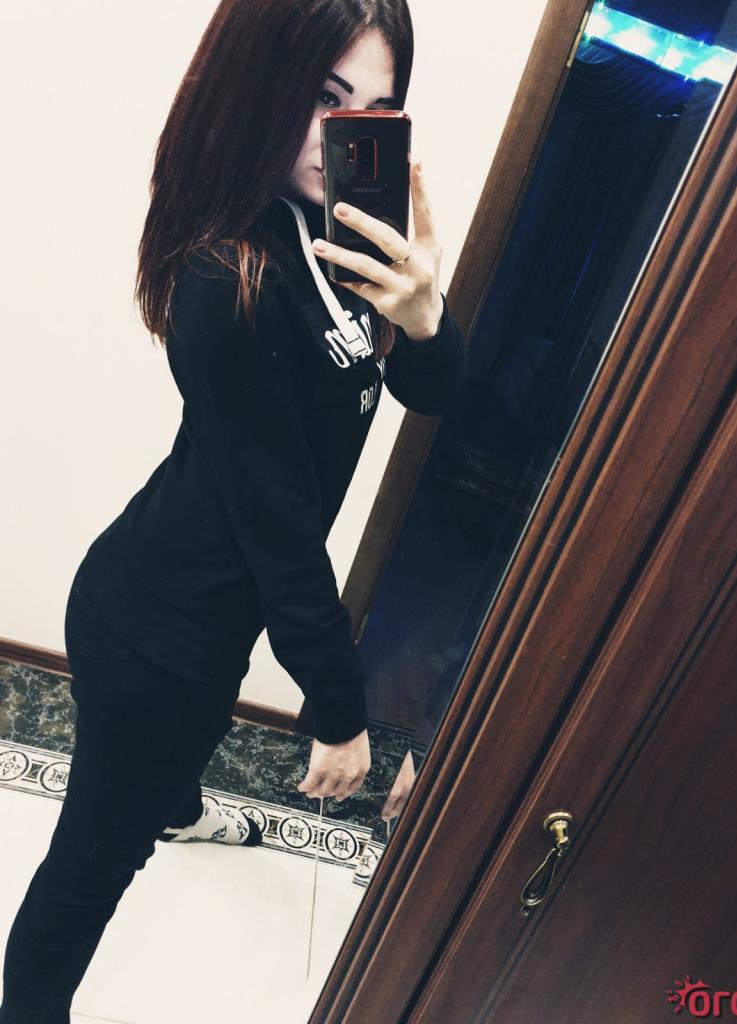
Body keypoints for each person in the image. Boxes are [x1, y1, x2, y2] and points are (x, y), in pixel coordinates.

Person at [0, 0, 466, 1019]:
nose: (342, 133)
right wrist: (338, 713)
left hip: (185, 595)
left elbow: (427, 393)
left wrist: (425, 314)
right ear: (261, 80)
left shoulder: (336, 230)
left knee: (165, 760)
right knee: (87, 873)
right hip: (160, 636)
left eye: (374, 107)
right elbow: (280, 530)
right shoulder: (228, 277)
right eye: (325, 96)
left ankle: (174, 803)